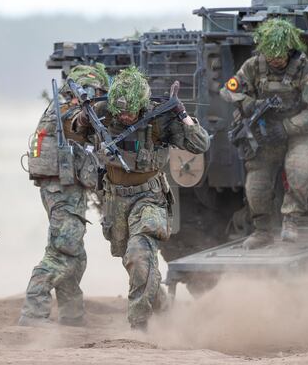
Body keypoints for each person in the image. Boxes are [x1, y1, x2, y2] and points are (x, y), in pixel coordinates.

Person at [73, 66, 210, 330]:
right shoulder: (103, 113)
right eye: (119, 111)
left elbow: (200, 144)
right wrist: (82, 118)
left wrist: (182, 114)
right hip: (115, 202)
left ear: (141, 104)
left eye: (130, 111)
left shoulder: (159, 120)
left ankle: (138, 328)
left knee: (139, 257)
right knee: (135, 265)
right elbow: (78, 130)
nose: (124, 116)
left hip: (149, 198)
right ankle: (165, 309)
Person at [220, 18, 308, 249]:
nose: (274, 60)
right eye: (270, 55)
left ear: (290, 49)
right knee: (257, 180)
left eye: (279, 55)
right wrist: (249, 103)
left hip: (305, 129)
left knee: (298, 164)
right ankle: (262, 231)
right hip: (267, 130)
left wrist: (286, 128)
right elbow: (227, 91)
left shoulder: (304, 68)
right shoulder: (253, 66)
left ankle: (291, 221)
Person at [18, 64, 110, 327]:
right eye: (96, 92)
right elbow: (79, 121)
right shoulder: (70, 112)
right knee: (63, 250)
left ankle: (72, 315)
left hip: (62, 188)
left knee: (75, 254)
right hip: (62, 189)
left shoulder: (60, 109)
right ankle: (33, 313)